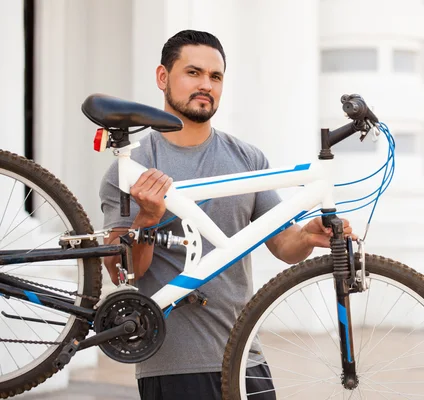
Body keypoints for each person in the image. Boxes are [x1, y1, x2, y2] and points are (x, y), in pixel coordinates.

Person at [99, 30, 355, 400]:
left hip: (245, 357)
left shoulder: (247, 160)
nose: (206, 85)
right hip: (173, 367)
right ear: (162, 77)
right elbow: (123, 271)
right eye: (193, 72)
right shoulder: (134, 168)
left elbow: (283, 244)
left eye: (215, 77)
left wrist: (310, 234)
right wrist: (147, 221)